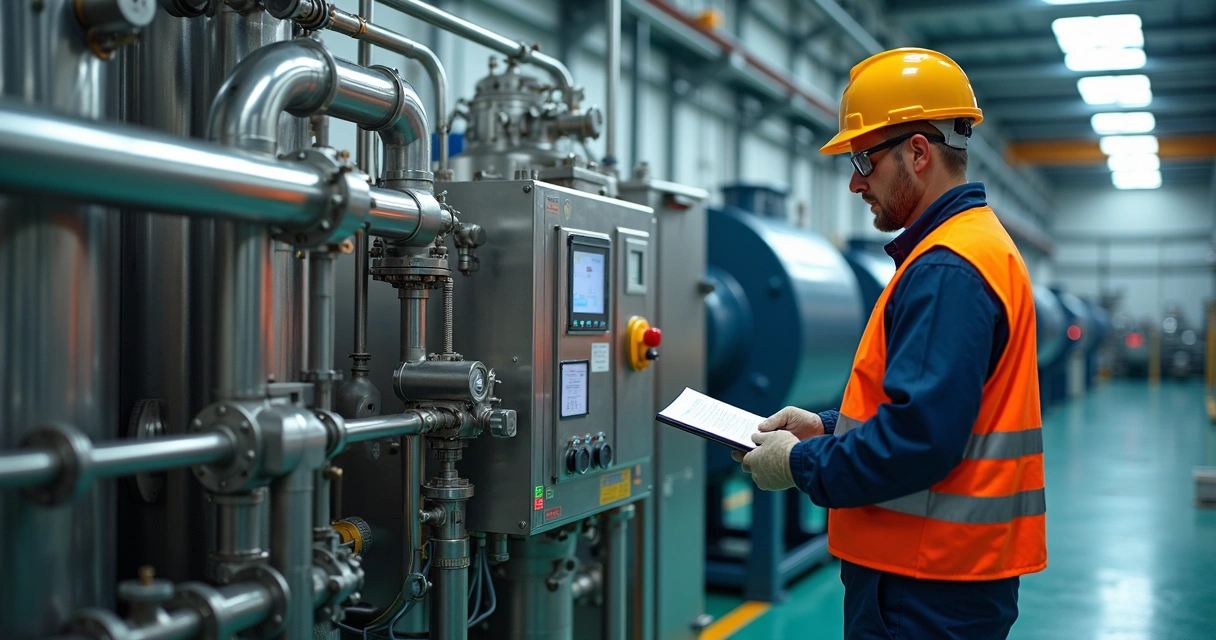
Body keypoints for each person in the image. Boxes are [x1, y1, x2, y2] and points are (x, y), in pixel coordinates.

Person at [734, 48, 1046, 639]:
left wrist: (798, 463)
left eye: (864, 159)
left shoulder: (947, 268)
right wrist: (824, 428)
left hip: (923, 583)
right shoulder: (970, 248)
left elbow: (918, 440)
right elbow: (936, 413)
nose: (855, 182)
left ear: (919, 153)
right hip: (944, 573)